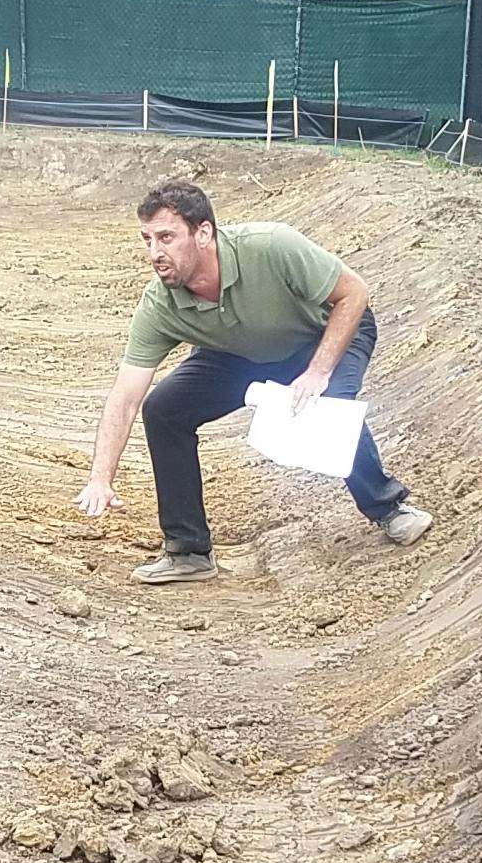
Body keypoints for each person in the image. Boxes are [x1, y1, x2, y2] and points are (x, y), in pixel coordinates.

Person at [75, 180, 433, 582]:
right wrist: (100, 478)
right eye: (147, 240)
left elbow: (354, 294)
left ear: (204, 233)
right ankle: (189, 551)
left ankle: (390, 508)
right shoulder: (160, 304)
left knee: (329, 402)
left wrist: (317, 372)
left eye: (166, 237)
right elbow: (124, 399)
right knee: (164, 410)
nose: (155, 253)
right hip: (242, 353)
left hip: (321, 334)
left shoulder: (271, 246)